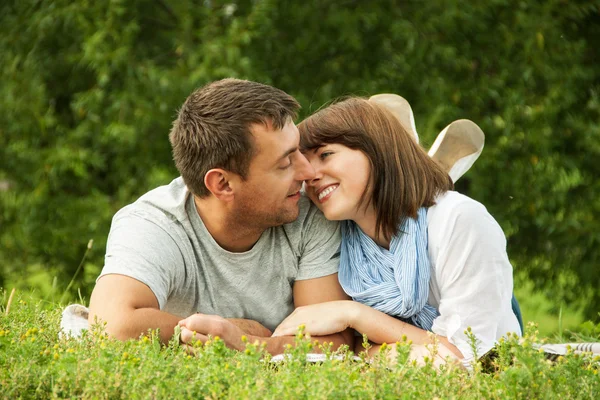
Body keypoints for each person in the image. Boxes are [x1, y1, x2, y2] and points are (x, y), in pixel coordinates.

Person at [87, 78, 354, 354]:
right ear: (223, 184)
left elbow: (334, 344)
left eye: (298, 150)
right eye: (285, 163)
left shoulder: (307, 211)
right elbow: (111, 325)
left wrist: (244, 343)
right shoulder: (154, 224)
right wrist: (230, 330)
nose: (308, 173)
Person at [272, 97, 521, 365]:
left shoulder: (460, 220)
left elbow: (467, 358)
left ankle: (418, 164)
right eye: (305, 164)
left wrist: (353, 314)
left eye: (325, 155)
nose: (310, 175)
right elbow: (356, 351)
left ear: (378, 150)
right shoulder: (339, 238)